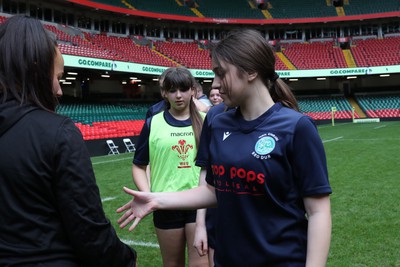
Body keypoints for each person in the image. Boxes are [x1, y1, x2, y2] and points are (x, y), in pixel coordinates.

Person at [117, 29, 332, 267]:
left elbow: (318, 212)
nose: (215, 85)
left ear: (251, 71)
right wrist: (156, 199)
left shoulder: (297, 128)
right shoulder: (217, 122)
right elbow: (213, 191)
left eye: (221, 74)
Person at [0, 15, 137, 266]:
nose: (60, 90)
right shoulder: (58, 132)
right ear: (36, 69)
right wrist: (127, 259)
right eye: (58, 78)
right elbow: (88, 230)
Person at [131, 67, 208, 267]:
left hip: (198, 204)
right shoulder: (153, 123)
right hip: (165, 203)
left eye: (183, 89)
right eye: (172, 90)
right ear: (164, 92)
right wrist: (148, 195)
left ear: (193, 90)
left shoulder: (206, 121)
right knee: (172, 263)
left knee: (200, 263)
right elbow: (139, 165)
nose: (178, 95)